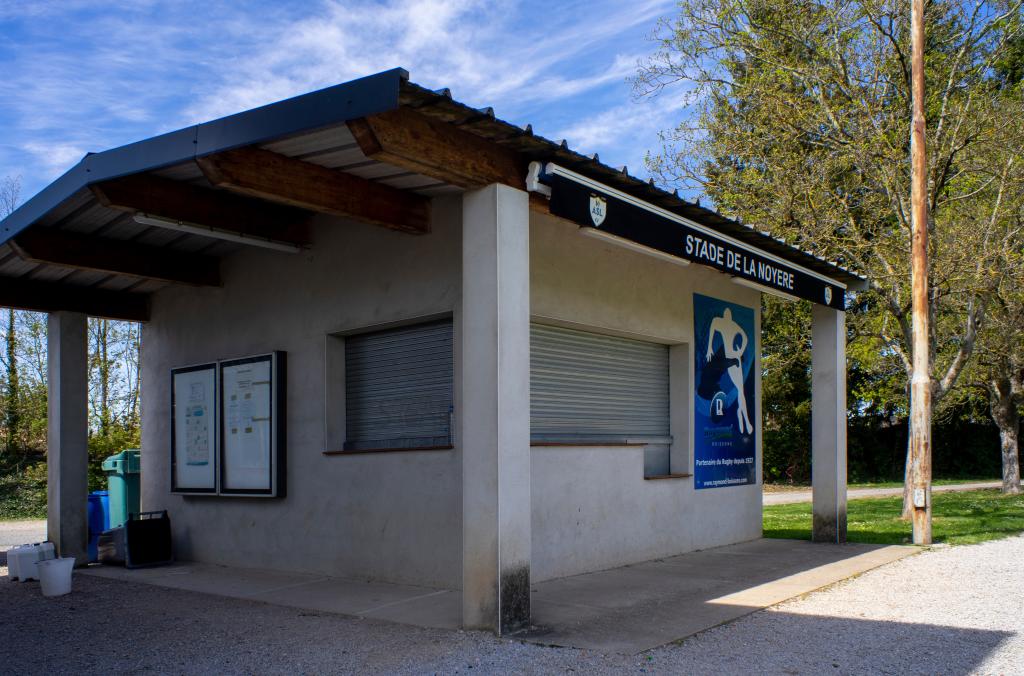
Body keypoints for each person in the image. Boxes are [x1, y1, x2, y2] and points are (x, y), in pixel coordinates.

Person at [706, 308, 753, 434]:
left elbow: (745, 337)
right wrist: (710, 347)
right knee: (740, 390)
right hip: (730, 358)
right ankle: (744, 419)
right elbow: (744, 337)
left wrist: (740, 351)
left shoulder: (724, 323)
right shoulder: (723, 323)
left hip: (732, 357)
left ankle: (744, 419)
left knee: (740, 390)